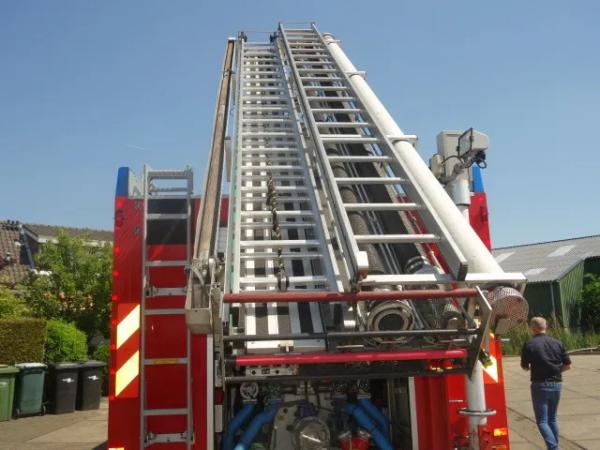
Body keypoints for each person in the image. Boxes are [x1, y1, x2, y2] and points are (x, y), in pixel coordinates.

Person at [521, 317, 572, 450]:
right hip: (556, 384)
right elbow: (568, 365)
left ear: (532, 328)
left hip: (539, 385)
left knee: (542, 421)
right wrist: (555, 371)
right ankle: (554, 446)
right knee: (552, 419)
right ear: (545, 327)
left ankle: (554, 448)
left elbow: (525, 367)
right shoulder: (557, 343)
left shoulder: (529, 344)